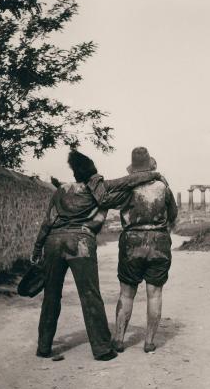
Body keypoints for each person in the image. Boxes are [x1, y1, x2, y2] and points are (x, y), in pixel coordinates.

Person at [31, 149, 166, 361]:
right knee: (90, 295)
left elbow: (47, 222)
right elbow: (127, 181)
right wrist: (154, 175)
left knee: (51, 295)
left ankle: (44, 347)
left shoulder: (61, 190)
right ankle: (102, 349)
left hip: (53, 242)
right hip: (81, 243)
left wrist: (37, 249)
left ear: (75, 174)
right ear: (92, 174)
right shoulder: (97, 189)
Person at [112, 147, 178, 354]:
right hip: (159, 242)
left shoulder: (126, 189)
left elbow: (109, 202)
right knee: (155, 293)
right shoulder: (163, 187)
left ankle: (119, 340)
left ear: (133, 168)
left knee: (127, 293)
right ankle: (149, 342)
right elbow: (173, 215)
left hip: (132, 243)